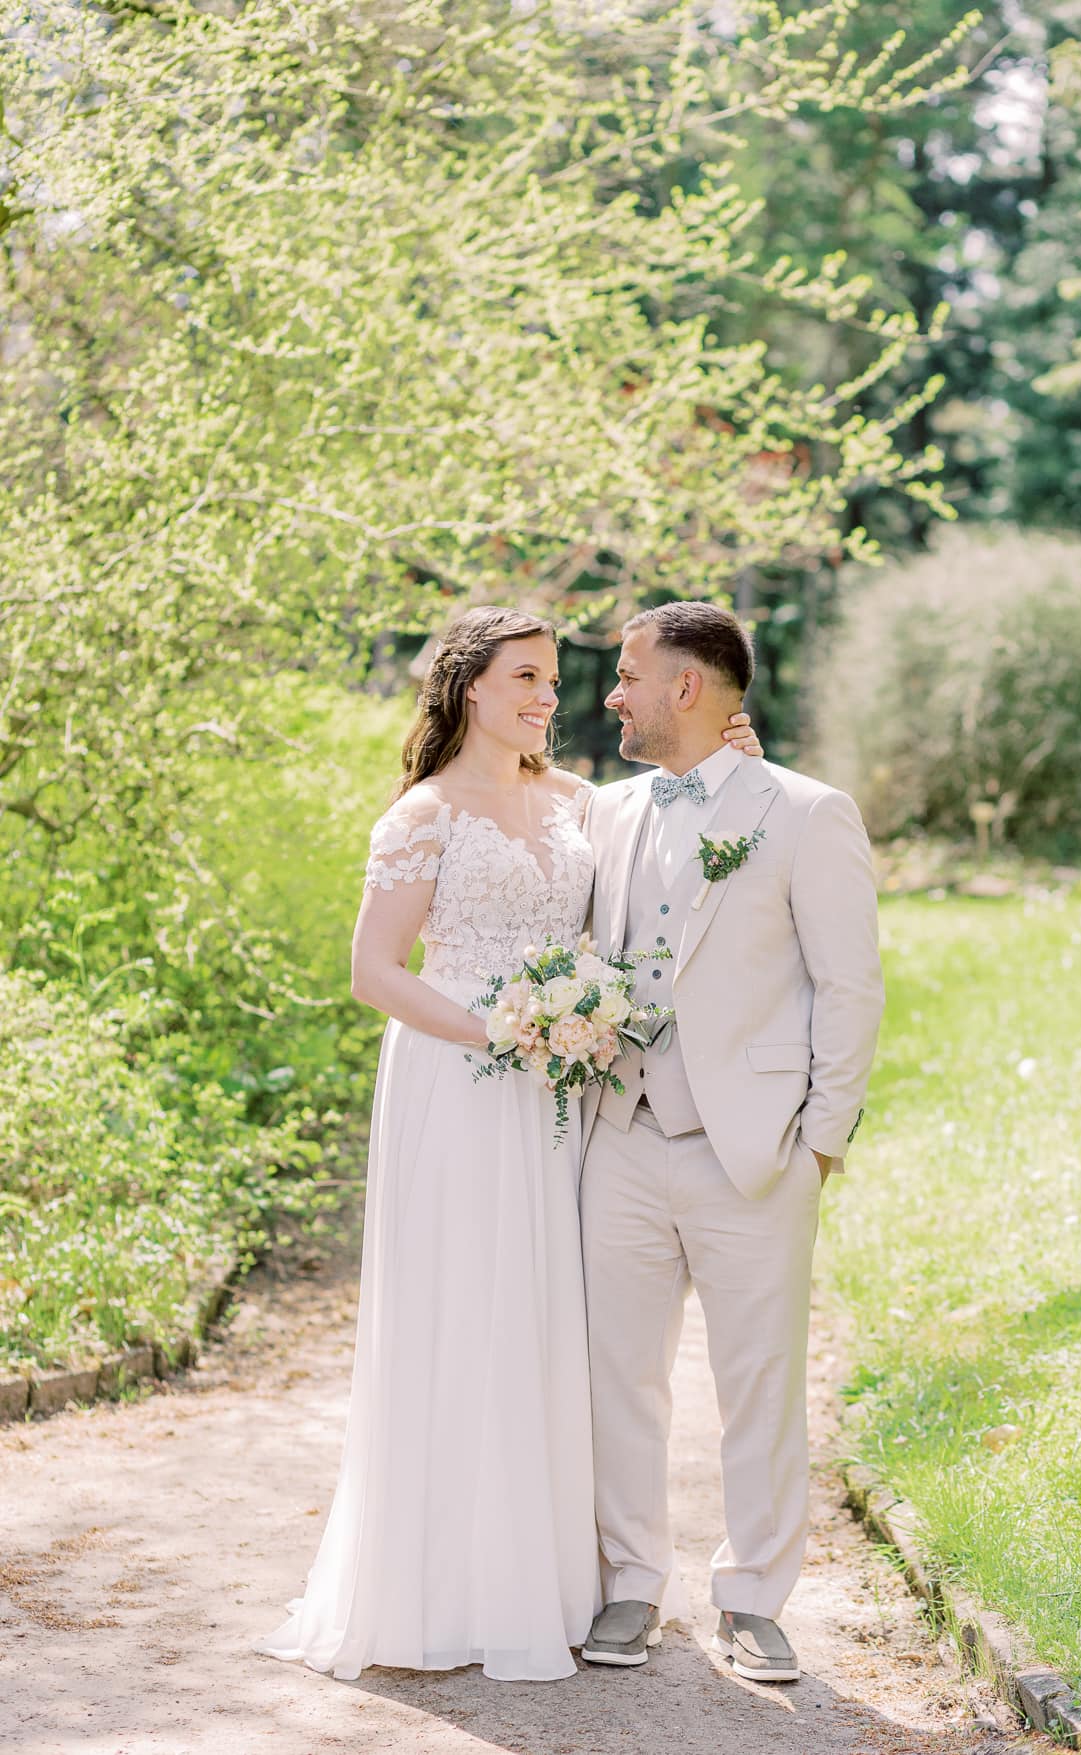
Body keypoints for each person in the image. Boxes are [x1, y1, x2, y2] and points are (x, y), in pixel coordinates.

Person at [255, 605, 760, 1683]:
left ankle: (552, 1581)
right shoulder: (424, 816)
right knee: (463, 1308)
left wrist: (734, 760)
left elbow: (681, 833)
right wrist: (504, 1028)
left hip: (561, 1093)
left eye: (555, 679)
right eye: (526, 677)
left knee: (547, 1317)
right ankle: (446, 1585)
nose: (547, 697)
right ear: (469, 687)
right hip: (460, 1081)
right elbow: (376, 973)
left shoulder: (583, 803)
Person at [579, 600, 884, 1682]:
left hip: (754, 1148)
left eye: (628, 675)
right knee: (618, 1377)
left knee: (759, 1383)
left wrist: (823, 1143)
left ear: (689, 688)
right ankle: (627, 1585)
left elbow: (850, 987)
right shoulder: (606, 812)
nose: (612, 693)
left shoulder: (805, 813)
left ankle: (754, 1601)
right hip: (621, 1134)